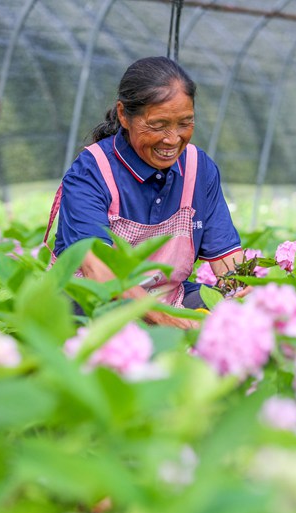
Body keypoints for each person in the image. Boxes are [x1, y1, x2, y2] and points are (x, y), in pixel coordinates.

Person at [44, 56, 247, 328]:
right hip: (94, 308)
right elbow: (98, 270)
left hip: (168, 302)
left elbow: (227, 259)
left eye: (185, 123)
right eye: (158, 125)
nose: (173, 139)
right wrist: (164, 320)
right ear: (123, 115)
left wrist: (244, 292)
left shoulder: (200, 169)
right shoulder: (92, 171)